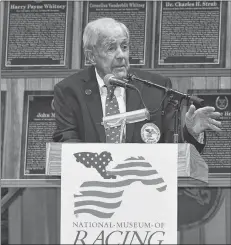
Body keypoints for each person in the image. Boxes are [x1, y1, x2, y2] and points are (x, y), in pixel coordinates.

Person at [53, 18, 221, 153]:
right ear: (91, 57)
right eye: (111, 48)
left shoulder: (156, 87)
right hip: (93, 186)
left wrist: (190, 132)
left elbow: (171, 146)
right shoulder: (69, 91)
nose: (121, 55)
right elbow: (68, 143)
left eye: (124, 47)